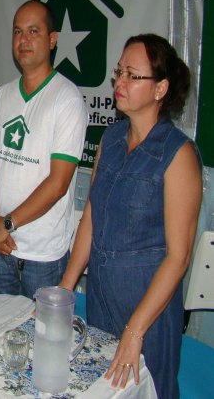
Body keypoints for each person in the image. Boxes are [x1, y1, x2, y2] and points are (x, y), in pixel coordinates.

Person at [59, 34, 202, 398]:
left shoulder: (179, 154)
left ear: (160, 88)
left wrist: (136, 330)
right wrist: (66, 287)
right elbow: (91, 214)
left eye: (131, 75)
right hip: (102, 295)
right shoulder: (111, 137)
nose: (119, 82)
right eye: (118, 72)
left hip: (148, 306)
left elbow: (179, 256)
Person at [0, 0, 88, 297]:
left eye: (33, 31)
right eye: (17, 32)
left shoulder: (67, 99)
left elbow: (58, 183)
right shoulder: (3, 95)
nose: (23, 40)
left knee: (41, 339)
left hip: (42, 256)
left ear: (52, 40)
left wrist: (8, 224)